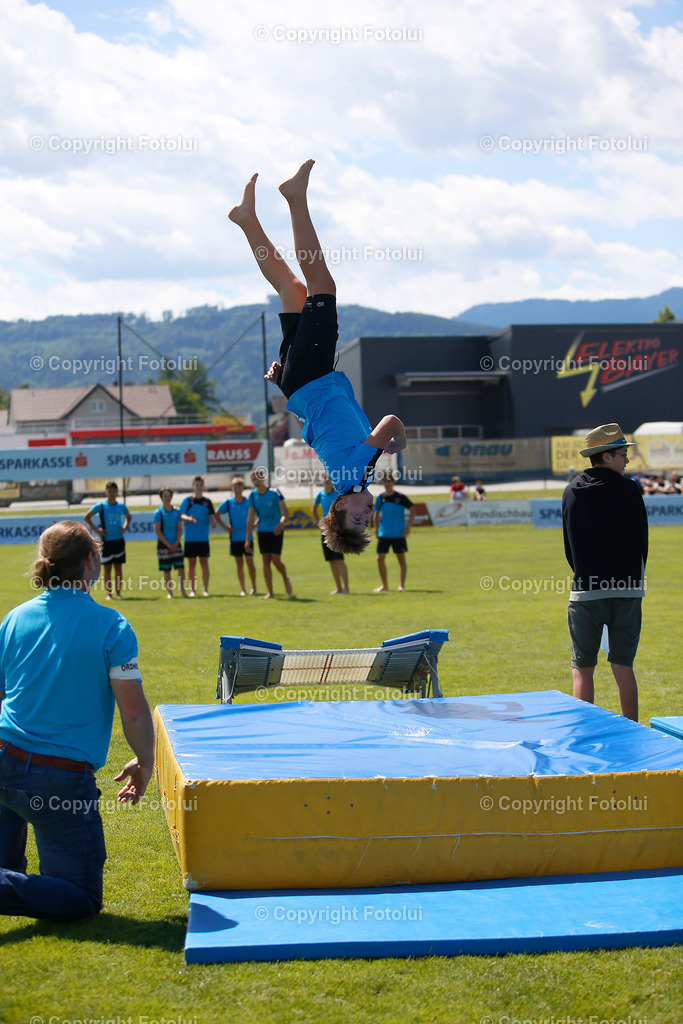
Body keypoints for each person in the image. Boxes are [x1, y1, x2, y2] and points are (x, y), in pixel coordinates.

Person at [229, 159, 406, 555]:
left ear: (341, 505)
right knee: (292, 288)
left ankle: (295, 198)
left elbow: (391, 422)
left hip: (312, 375)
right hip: (301, 384)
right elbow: (314, 424)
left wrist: (400, 445)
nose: (368, 514)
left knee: (321, 285)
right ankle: (246, 220)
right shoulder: (348, 474)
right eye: (369, 521)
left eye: (359, 518)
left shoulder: (353, 473)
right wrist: (285, 381)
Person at [0, 521, 154, 920]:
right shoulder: (112, 625)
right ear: (90, 560)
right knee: (79, 897)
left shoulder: (14, 618)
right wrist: (145, 762)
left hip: (3, 760)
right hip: (59, 776)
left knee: (10, 874)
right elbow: (133, 710)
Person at [562, 423, 648, 722]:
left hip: (586, 590)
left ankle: (586, 733)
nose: (627, 460)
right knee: (623, 666)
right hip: (627, 590)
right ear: (607, 456)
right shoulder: (629, 489)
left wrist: (586, 574)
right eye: (623, 454)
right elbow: (642, 540)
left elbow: (569, 546)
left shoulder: (572, 490)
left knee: (582, 669)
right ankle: (633, 728)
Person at [245, 469, 292, 599]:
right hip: (262, 532)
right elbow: (250, 518)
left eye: (258, 478)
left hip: (276, 531)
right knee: (265, 560)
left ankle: (285, 577)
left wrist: (280, 524)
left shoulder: (274, 492)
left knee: (276, 560)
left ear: (263, 478)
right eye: (253, 479)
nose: (256, 481)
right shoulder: (253, 496)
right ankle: (270, 592)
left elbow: (286, 513)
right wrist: (247, 538)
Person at [84, 481, 131, 600]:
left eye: (114, 491)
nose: (112, 493)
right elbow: (87, 516)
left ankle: (118, 593)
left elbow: (129, 517)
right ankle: (109, 594)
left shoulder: (121, 506)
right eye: (110, 491)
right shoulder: (101, 506)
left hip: (118, 541)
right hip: (106, 541)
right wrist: (97, 530)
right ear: (106, 492)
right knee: (107, 569)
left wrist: (125, 527)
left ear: (117, 492)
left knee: (118, 568)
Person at [372, 476, 415, 592]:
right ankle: (384, 585)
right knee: (379, 558)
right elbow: (375, 514)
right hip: (384, 533)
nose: (387, 483)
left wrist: (408, 527)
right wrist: (375, 529)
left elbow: (413, 510)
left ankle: (401, 585)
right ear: (382, 483)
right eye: (384, 481)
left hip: (398, 534)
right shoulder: (380, 497)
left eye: (389, 481)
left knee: (401, 559)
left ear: (393, 482)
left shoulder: (400, 497)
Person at [216, 476, 257, 597]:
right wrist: (226, 527)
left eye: (239, 486)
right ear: (232, 488)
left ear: (243, 488)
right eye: (235, 487)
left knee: (250, 561)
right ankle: (243, 589)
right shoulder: (229, 503)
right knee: (239, 563)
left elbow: (260, 512)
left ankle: (253, 586)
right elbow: (216, 514)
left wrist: (255, 524)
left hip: (247, 538)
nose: (237, 489)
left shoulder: (249, 502)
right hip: (235, 538)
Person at [311, 474, 349, 595]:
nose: (327, 480)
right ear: (321, 480)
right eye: (324, 478)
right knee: (331, 561)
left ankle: (346, 588)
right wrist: (319, 522)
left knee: (339, 560)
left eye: (329, 478)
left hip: (337, 531)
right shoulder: (320, 494)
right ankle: (338, 588)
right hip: (326, 531)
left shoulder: (338, 495)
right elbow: (313, 509)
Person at [179, 476, 216, 597]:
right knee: (192, 564)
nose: (199, 487)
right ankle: (193, 590)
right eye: (197, 485)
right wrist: (188, 518)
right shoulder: (188, 501)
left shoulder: (207, 502)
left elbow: (211, 517)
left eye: (201, 485)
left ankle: (205, 589)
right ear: (193, 487)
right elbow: (181, 515)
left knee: (204, 563)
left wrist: (212, 522)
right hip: (190, 538)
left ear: (203, 487)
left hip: (203, 537)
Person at [153, 486, 189, 598]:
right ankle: (170, 593)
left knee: (180, 568)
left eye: (169, 496)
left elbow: (179, 528)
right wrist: (169, 545)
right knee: (166, 569)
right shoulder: (158, 512)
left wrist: (176, 542)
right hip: (164, 545)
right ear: (161, 498)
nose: (167, 498)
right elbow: (158, 531)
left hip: (176, 544)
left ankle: (183, 591)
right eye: (165, 496)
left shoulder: (176, 512)